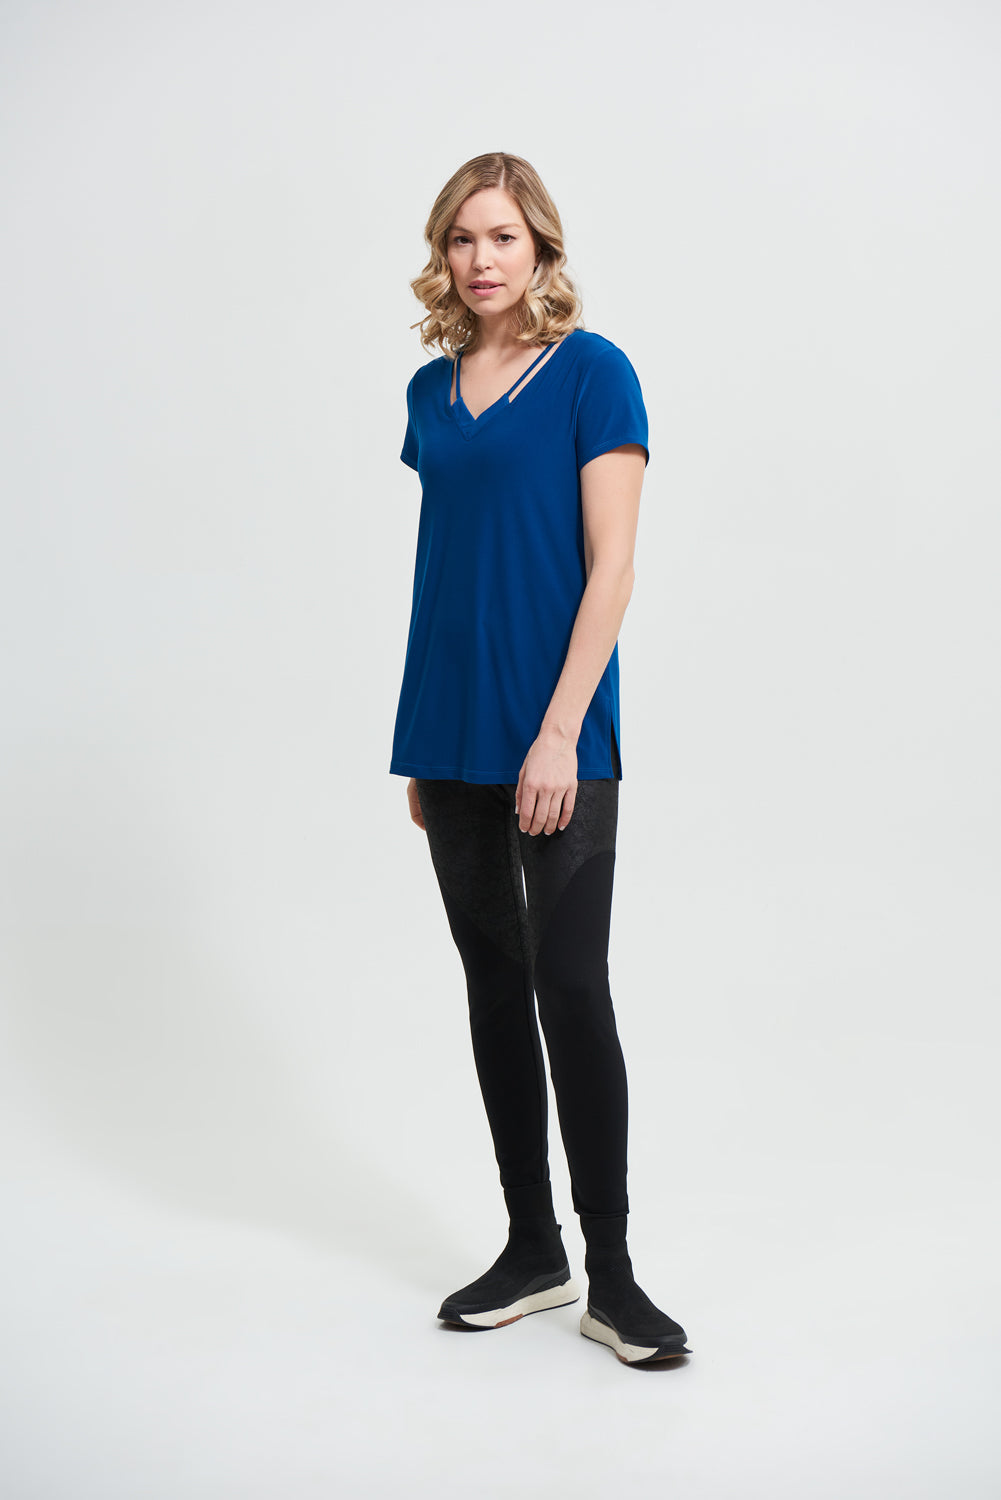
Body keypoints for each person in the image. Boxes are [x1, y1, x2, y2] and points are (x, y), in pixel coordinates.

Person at [389, 152, 691, 1366]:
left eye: (503, 236)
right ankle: (531, 1248)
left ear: (541, 249)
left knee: (570, 984)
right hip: (448, 730)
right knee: (490, 982)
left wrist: (559, 729)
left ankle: (611, 1276)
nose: (482, 259)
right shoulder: (427, 392)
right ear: (443, 255)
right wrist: (421, 744)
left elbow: (611, 566)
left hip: (555, 730)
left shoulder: (592, 373)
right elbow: (445, 568)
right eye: (462, 239)